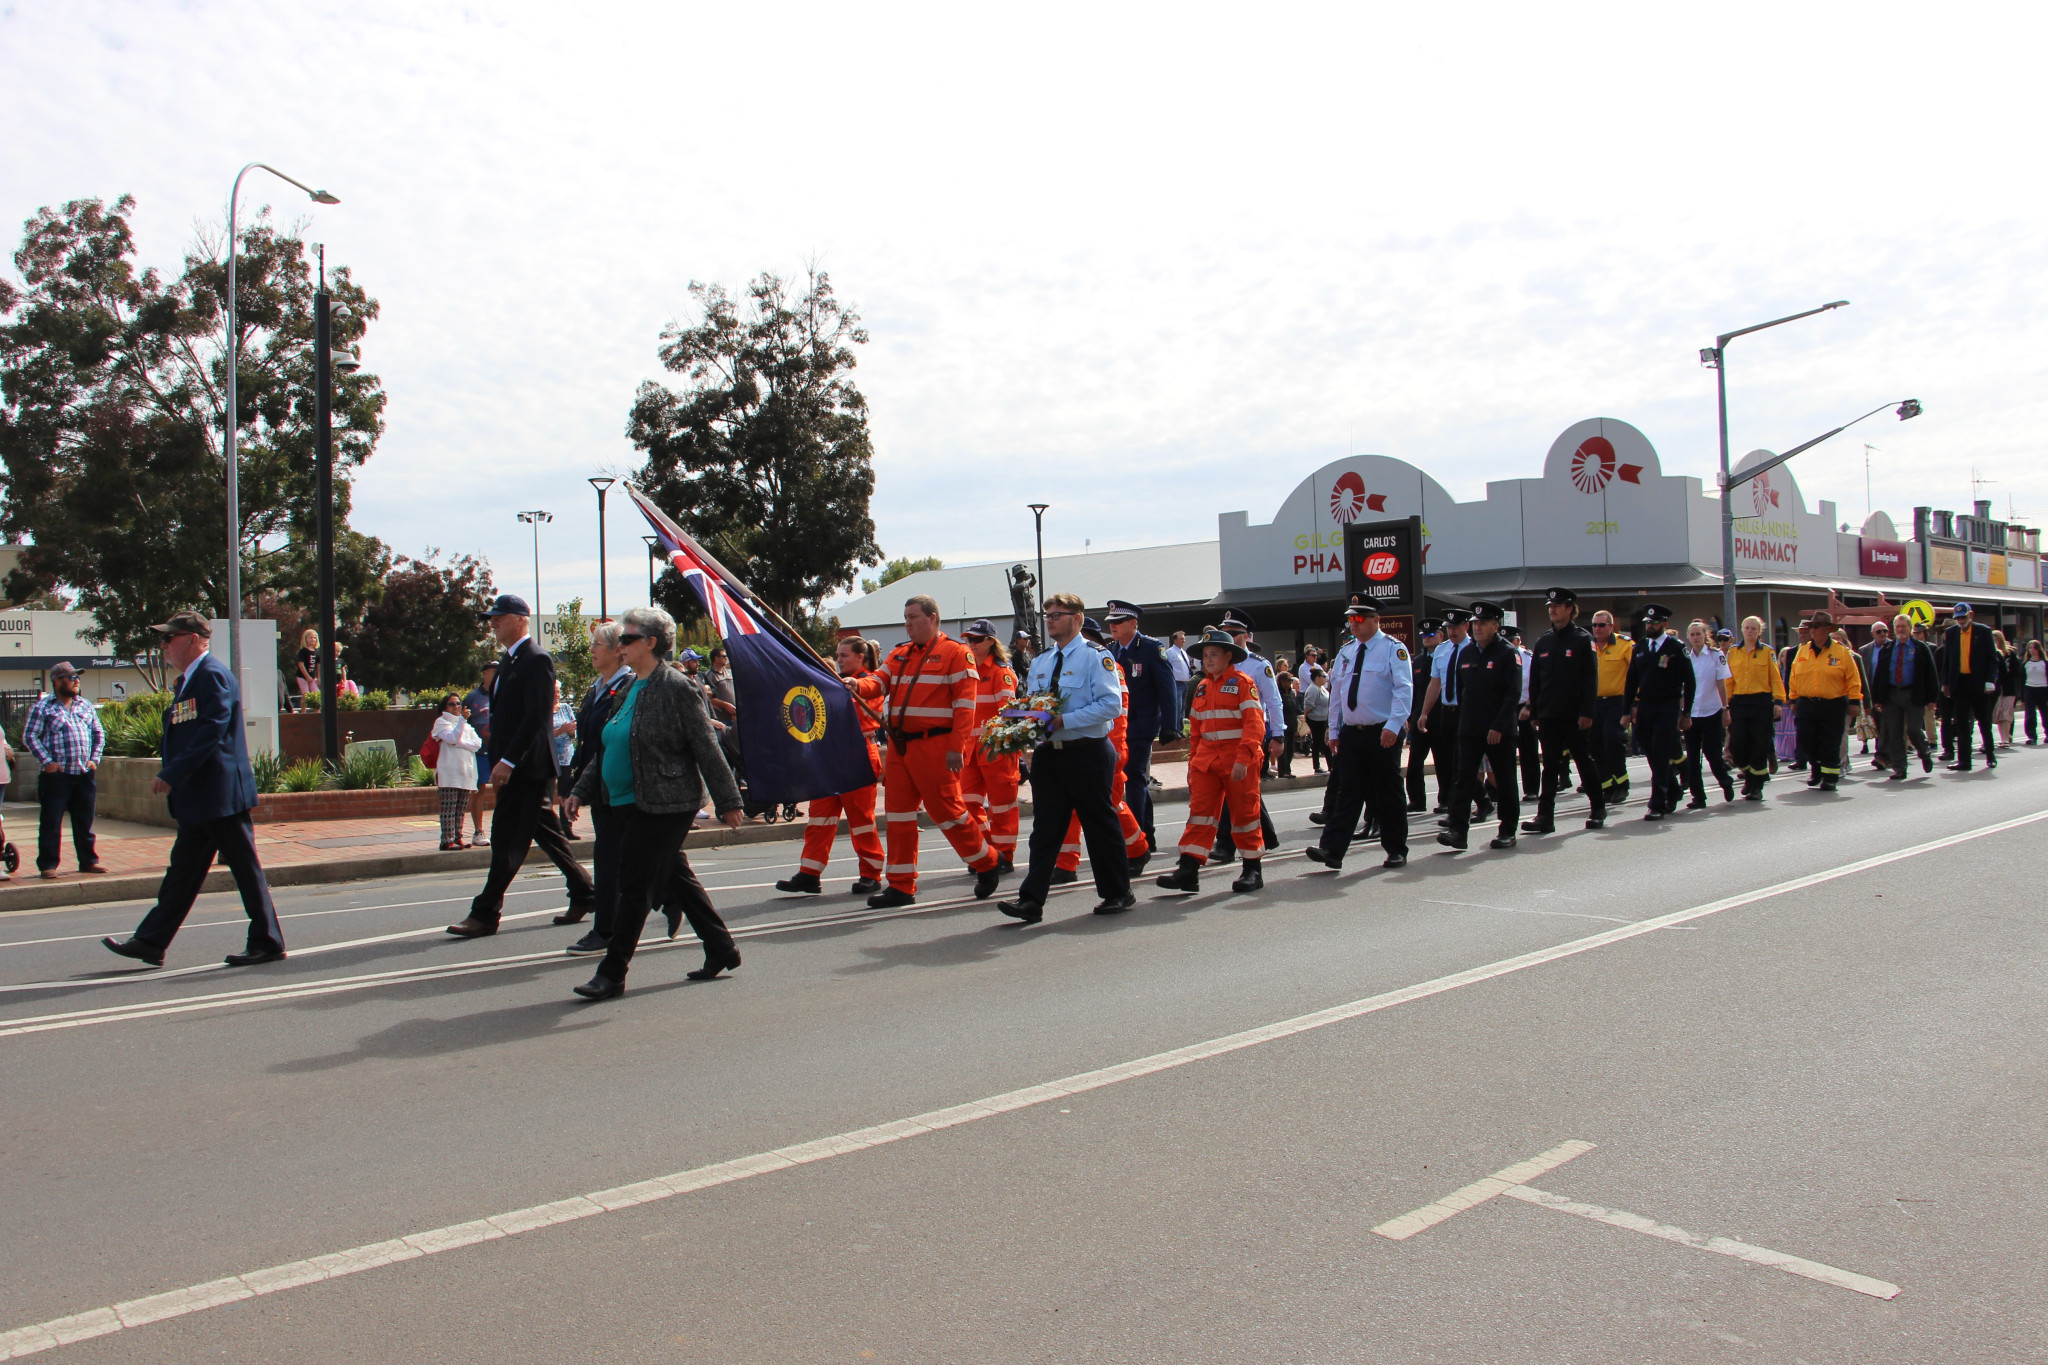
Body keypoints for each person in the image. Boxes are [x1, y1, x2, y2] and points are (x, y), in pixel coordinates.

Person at [563, 605, 746, 999]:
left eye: (627, 637)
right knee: (676, 877)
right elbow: (608, 744)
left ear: (650, 642)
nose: (621, 644)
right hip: (627, 802)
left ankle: (612, 972)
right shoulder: (629, 688)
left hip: (667, 802)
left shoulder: (676, 686)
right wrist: (581, 788)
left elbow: (706, 746)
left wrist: (728, 800)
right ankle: (721, 947)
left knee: (635, 885)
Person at [102, 613, 284, 969]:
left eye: (169, 639)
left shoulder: (212, 676)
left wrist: (173, 772)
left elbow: (211, 730)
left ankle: (267, 941)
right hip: (201, 797)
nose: (164, 646)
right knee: (182, 873)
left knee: (246, 870)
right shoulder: (190, 680)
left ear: (191, 639)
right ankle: (151, 941)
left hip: (220, 795)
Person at [446, 594, 598, 938]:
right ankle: (586, 892)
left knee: (505, 839)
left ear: (520, 618)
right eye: (491, 618)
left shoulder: (536, 659)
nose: (493, 623)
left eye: (499, 617)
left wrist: (508, 761)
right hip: (517, 768)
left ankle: (485, 913)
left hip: (527, 768)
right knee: (547, 834)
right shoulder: (508, 661)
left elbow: (535, 717)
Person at [850, 594, 1003, 909]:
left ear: (933, 618)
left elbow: (965, 706)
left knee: (948, 812)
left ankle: (988, 861)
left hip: (936, 746)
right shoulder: (900, 654)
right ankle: (901, 886)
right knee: (899, 817)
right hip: (900, 747)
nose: (907, 623)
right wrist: (857, 685)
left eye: (913, 617)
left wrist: (956, 748)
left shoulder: (956, 653)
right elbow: (878, 682)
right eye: (905, 617)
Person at [997, 594, 1137, 920]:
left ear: (1076, 618)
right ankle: (1031, 900)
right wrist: (1017, 720)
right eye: (1047, 614)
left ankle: (1118, 892)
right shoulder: (1042, 661)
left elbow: (1110, 705)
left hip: (1086, 751)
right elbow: (1035, 702)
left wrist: (1064, 721)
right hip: (1050, 755)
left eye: (1056, 614)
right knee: (1045, 830)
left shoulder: (1095, 657)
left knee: (1099, 825)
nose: (1049, 620)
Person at [1152, 627, 1267, 894]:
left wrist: (1243, 759)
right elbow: (1196, 732)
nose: (1208, 660)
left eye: (1214, 654)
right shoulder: (1201, 687)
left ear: (1229, 656)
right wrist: (1192, 765)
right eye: (1205, 655)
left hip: (1237, 760)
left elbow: (1254, 725)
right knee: (1199, 816)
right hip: (1206, 762)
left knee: (1245, 815)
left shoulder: (1242, 683)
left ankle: (1252, 869)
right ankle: (1189, 871)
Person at [1305, 596, 1411, 870]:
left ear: (1377, 620)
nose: (1354, 624)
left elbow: (1403, 690)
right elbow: (1338, 694)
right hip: (1353, 732)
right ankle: (1332, 849)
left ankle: (1396, 849)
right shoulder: (1347, 651)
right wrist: (1334, 728)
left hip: (1382, 731)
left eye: (1360, 618)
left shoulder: (1393, 649)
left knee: (1388, 792)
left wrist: (1394, 725)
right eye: (1351, 619)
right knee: (1347, 792)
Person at [776, 636, 887, 898]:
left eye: (844, 656)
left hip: (857, 754)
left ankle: (871, 875)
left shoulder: (868, 684)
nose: (838, 660)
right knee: (820, 817)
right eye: (837, 655)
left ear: (860, 657)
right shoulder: (836, 683)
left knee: (861, 821)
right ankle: (809, 873)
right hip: (831, 758)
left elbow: (849, 712)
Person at [561, 623, 645, 949]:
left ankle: (607, 929)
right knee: (622, 857)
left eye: (597, 644)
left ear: (617, 650)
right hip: (599, 785)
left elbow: (614, 741)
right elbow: (588, 742)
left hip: (620, 785)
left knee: (614, 858)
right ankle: (670, 897)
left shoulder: (627, 686)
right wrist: (575, 782)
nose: (592, 650)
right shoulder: (596, 687)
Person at [1051, 618, 1152, 883]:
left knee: (1111, 806)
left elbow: (1117, 714)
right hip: (1079, 747)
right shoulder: (1066, 664)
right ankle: (1065, 864)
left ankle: (1138, 849)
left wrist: (1115, 749)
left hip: (1105, 747)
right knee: (1070, 808)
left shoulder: (1108, 666)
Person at [1522, 587, 1604, 834]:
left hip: (1574, 715)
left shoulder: (1582, 639)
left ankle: (1598, 808)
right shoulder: (1543, 641)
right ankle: (1545, 817)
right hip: (1549, 714)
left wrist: (1587, 712)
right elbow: (1536, 680)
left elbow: (1591, 679)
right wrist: (1535, 710)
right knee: (1550, 766)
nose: (1553, 610)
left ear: (1570, 609)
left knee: (1583, 762)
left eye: (1557, 606)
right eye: (1550, 607)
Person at [1205, 612, 1284, 862]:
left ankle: (1226, 844)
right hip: (1221, 739)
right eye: (1225, 632)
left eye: (1234, 633)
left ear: (1246, 637)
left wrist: (1278, 735)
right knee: (1242, 791)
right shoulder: (1217, 664)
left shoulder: (1259, 665)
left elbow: (1273, 701)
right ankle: (1266, 836)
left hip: (1249, 736)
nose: (1229, 637)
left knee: (1238, 791)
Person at [22, 661, 107, 878]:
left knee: (85, 822)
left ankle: (88, 861)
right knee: (51, 822)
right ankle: (48, 865)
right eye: (72, 678)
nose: (77, 681)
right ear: (57, 681)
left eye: (77, 678)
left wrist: (94, 759)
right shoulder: (43, 708)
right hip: (56, 776)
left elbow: (99, 734)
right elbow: (30, 736)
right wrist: (47, 762)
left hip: (84, 774)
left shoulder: (85, 706)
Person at [1105, 599, 1178, 851]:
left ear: (1133, 623)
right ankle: (1137, 833)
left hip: (1141, 724)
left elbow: (1167, 688)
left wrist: (1171, 724)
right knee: (1124, 780)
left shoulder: (1150, 648)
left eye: (1118, 622)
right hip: (1116, 727)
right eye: (1111, 622)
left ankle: (1142, 835)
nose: (1113, 626)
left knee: (1135, 777)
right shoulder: (1110, 651)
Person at [956, 620, 1023, 873]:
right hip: (971, 750)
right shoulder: (966, 670)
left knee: (1002, 806)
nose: (970, 644)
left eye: (976, 639)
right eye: (968, 639)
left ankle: (1005, 856)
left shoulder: (1000, 672)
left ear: (990, 642)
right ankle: (987, 851)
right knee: (967, 804)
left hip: (997, 748)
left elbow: (1010, 712)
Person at [1626, 604, 1692, 819]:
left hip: (1667, 705)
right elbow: (1631, 681)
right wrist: (1627, 710)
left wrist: (1686, 712)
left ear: (1664, 624)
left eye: (1654, 623)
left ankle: (1658, 803)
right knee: (1651, 751)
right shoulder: (1641, 647)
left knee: (1661, 752)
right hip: (1646, 706)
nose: (1650, 626)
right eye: (1648, 623)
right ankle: (1672, 789)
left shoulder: (1675, 647)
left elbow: (1689, 681)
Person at [1786, 609, 1864, 791]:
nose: (1813, 630)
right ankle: (1817, 769)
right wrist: (1793, 699)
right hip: (1807, 703)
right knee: (1806, 739)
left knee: (1830, 741)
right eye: (1812, 626)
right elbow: (1794, 676)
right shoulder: (1803, 651)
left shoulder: (1841, 652)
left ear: (1828, 629)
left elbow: (1853, 678)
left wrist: (1854, 702)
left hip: (1833, 704)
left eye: (1817, 626)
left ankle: (1829, 777)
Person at [1417, 609, 1473, 814]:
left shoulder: (1474, 648)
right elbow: (1435, 684)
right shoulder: (1442, 650)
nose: (1452, 631)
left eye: (1456, 627)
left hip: (1467, 712)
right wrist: (1424, 713)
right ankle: (1458, 803)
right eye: (1449, 628)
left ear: (1466, 627)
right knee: (1447, 762)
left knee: (1463, 763)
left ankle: (1463, 807)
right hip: (1446, 713)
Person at [1726, 615, 1787, 799]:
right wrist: (1725, 704)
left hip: (1761, 702)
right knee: (1737, 745)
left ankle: (1756, 786)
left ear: (1759, 631)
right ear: (1742, 630)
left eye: (1754, 628)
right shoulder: (1733, 652)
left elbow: (1775, 678)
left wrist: (1778, 701)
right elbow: (1728, 680)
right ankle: (1748, 775)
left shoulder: (1767, 652)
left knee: (1759, 744)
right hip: (1738, 702)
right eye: (1747, 627)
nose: (1750, 631)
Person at [1871, 613, 1937, 781]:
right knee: (1895, 733)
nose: (1901, 629)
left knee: (1914, 729)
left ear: (1909, 628)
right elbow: (1879, 674)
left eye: (1904, 626)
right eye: (1898, 627)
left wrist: (1932, 699)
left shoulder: (1920, 648)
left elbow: (1931, 673)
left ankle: (1924, 751)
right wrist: (1877, 699)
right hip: (1892, 695)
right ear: (1894, 629)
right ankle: (1900, 768)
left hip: (1914, 694)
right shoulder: (1888, 649)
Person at [1680, 619, 1735, 808]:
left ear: (1705, 636)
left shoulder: (1715, 655)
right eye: (1692, 634)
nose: (1695, 638)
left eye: (1699, 634)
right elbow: (1682, 687)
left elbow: (1721, 683)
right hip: (1692, 714)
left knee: (1713, 755)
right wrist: (1682, 712)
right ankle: (1698, 796)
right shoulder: (1685, 657)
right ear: (1688, 637)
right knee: (1693, 759)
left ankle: (1725, 782)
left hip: (1711, 711)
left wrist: (1725, 709)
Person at [1939, 602, 1998, 772]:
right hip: (1960, 683)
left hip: (1978, 683)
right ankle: (1964, 761)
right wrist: (1946, 683)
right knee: (1962, 723)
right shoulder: (1951, 633)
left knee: (1984, 721)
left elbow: (1992, 659)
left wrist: (1990, 680)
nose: (1960, 621)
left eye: (1963, 617)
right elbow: (1948, 660)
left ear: (1971, 615)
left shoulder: (1983, 631)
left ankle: (1990, 755)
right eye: (1957, 618)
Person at [1590, 611, 1634, 807]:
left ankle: (1622, 783)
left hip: (1617, 701)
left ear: (1611, 626)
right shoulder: (1588, 646)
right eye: (1594, 625)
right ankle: (1607, 786)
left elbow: (1636, 675)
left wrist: (1635, 703)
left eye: (1601, 625)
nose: (1597, 629)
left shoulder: (1625, 645)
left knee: (1612, 741)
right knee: (1596, 745)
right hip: (1594, 703)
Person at [431, 693, 483, 850]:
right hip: (449, 773)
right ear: (445, 707)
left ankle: (457, 836)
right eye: (451, 704)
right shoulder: (441, 722)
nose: (456, 707)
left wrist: (461, 742)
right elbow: (452, 738)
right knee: (449, 808)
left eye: (458, 703)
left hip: (465, 772)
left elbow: (477, 744)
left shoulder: (465, 725)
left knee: (460, 808)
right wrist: (462, 724)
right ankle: (446, 840)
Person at [1404, 619, 1441, 811]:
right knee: (1414, 763)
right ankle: (1417, 800)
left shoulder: (1446, 657)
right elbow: (1413, 692)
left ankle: (1446, 800)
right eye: (1424, 636)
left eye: (1431, 635)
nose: (1427, 638)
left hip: (1441, 718)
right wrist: (1410, 716)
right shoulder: (1417, 661)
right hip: (1419, 718)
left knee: (1443, 762)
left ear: (1441, 635)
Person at [1503, 624, 1542, 798]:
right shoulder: (1500, 657)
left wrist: (1529, 706)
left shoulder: (1529, 658)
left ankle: (1532, 789)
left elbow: (1537, 683)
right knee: (1505, 751)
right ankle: (1503, 790)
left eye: (1510, 641)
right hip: (1506, 707)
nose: (1507, 644)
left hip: (1525, 706)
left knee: (1528, 750)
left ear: (1518, 641)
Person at [463, 662, 496, 844]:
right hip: (480, 752)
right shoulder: (473, 697)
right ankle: (478, 831)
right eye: (493, 671)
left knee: (503, 789)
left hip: (499, 752)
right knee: (479, 790)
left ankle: (504, 828)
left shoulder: (504, 693)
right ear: (485, 673)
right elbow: (464, 721)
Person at [1859, 620, 1893, 771]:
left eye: (1885, 631)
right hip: (1872, 692)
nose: (1883, 634)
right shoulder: (1865, 650)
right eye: (1879, 632)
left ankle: (1882, 755)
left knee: (1887, 724)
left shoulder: (1894, 647)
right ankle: (1884, 755)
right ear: (1873, 633)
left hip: (1889, 693)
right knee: (1877, 724)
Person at [550, 678, 578, 836]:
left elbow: (575, 732)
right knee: (547, 793)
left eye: (558, 691)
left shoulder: (566, 707)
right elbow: (543, 733)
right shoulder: (543, 708)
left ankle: (566, 827)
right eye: (554, 691)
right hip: (549, 756)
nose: (557, 694)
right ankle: (551, 829)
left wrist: (570, 730)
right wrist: (560, 730)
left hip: (566, 756)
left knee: (566, 791)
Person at [1993, 629, 2021, 748]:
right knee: (1997, 713)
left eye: (1995, 639)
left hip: (2009, 687)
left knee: (2006, 713)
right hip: (1997, 687)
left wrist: (2009, 670)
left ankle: (2006, 739)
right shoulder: (1992, 653)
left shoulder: (2010, 654)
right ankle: (2002, 737)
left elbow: (2018, 670)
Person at [1301, 666, 1331, 774]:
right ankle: (1317, 767)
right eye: (1323, 676)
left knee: (1325, 742)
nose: (1325, 678)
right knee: (1318, 742)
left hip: (1323, 719)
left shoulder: (1321, 688)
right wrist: (1306, 717)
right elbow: (1308, 706)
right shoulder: (1313, 688)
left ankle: (1330, 765)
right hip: (1315, 720)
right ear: (1317, 678)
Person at [1165, 630, 1194, 723]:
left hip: (1185, 684)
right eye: (1181, 639)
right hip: (1176, 684)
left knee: (1182, 709)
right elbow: (1167, 669)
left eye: (1184, 639)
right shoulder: (1170, 652)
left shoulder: (1183, 652)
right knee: (1177, 707)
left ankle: (1180, 730)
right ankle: (1175, 729)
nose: (1183, 641)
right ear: (1175, 640)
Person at [2023, 640, 2048, 745]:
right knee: (2030, 714)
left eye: (2034, 648)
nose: (2032, 650)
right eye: (2030, 648)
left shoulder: (2044, 663)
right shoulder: (2026, 664)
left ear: (2038, 649)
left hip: (2043, 689)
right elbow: (2022, 680)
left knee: (2045, 713)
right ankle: (2032, 736)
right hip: (2030, 689)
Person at [293, 627, 319, 710]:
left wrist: (318, 677)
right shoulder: (303, 651)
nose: (313, 639)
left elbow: (318, 665)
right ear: (305, 639)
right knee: (305, 694)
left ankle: (317, 711)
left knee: (316, 694)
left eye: (314, 637)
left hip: (312, 676)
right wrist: (307, 676)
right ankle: (303, 712)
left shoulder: (317, 651)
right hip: (302, 676)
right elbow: (301, 664)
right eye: (310, 637)